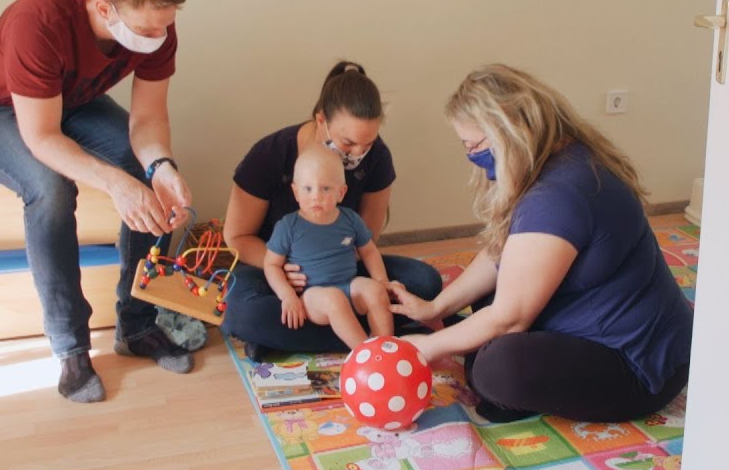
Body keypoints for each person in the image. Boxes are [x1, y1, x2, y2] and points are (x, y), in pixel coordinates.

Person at [0, 0, 196, 403]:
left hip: (73, 103)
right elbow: (42, 137)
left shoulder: (157, 28)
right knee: (51, 188)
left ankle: (137, 323)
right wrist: (115, 184)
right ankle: (71, 348)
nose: (157, 38)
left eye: (165, 27)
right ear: (104, 8)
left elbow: (148, 121)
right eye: (146, 30)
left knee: (146, 173)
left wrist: (160, 166)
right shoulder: (38, 22)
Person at [389, 64, 693, 423]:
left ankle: (503, 378)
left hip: (640, 367)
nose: (472, 156)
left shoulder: (557, 195)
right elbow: (503, 252)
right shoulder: (563, 158)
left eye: (475, 146)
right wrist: (435, 308)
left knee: (497, 369)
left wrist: (427, 347)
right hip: (617, 331)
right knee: (489, 299)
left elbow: (509, 318)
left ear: (508, 132)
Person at [220, 61, 442, 360]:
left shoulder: (377, 158)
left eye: (368, 143)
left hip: (342, 270)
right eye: (348, 143)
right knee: (240, 311)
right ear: (321, 119)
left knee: (425, 282)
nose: (358, 153)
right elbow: (237, 237)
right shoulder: (270, 154)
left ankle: (287, 337)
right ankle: (370, 336)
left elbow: (367, 240)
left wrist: (373, 283)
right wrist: (284, 273)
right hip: (275, 272)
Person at [265, 147, 395, 348]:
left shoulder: (350, 219)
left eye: (325, 188)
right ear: (296, 192)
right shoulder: (288, 226)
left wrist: (382, 281)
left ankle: (386, 347)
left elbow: (369, 251)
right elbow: (271, 265)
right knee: (334, 299)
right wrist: (287, 295)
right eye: (308, 189)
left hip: (349, 285)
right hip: (313, 296)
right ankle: (364, 353)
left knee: (375, 291)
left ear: (341, 192)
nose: (316, 196)